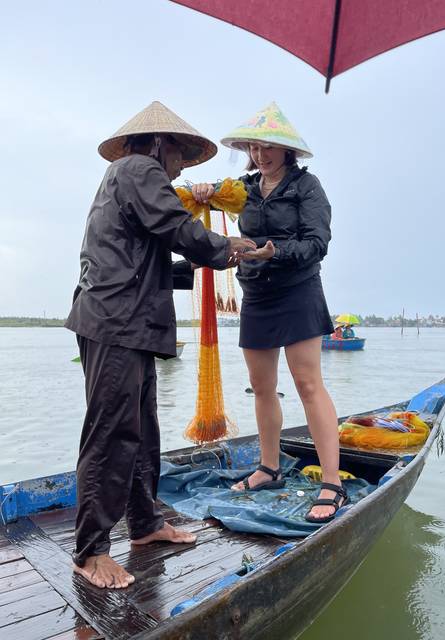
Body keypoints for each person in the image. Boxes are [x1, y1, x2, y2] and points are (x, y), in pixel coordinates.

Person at [65, 101, 256, 589]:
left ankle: (145, 523)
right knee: (110, 433)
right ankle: (90, 551)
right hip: (114, 321)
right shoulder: (138, 168)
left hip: (127, 320)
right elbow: (176, 227)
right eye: (180, 154)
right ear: (158, 143)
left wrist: (204, 263)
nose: (180, 166)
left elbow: (148, 257)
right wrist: (225, 248)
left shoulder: (130, 178)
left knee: (141, 429)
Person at [191, 102, 348, 524]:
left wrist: (275, 251)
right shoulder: (242, 189)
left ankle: (332, 482)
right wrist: (204, 192)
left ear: (286, 149)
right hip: (257, 293)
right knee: (262, 386)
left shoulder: (306, 186)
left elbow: (318, 243)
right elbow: (208, 199)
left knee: (308, 383)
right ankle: (269, 467)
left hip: (298, 289)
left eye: (268, 148)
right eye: (254, 148)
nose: (260, 155)